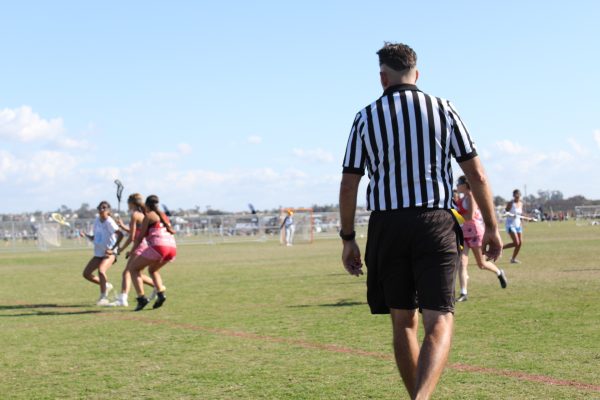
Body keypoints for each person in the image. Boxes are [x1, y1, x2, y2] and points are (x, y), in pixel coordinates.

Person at [339, 42, 502, 400]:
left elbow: (350, 183)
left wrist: (348, 237)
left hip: (388, 226)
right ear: (418, 74)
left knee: (403, 322)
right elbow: (477, 174)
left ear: (383, 78)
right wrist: (491, 226)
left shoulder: (365, 116)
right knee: (439, 319)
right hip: (435, 222)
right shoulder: (443, 109)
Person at [455, 176, 507, 302]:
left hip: (475, 232)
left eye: (459, 183)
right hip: (464, 233)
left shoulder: (472, 196)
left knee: (481, 264)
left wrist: (455, 215)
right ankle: (463, 293)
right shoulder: (462, 198)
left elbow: (470, 216)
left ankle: (499, 273)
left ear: (465, 184)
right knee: (462, 263)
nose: (457, 186)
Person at [129, 195, 177, 311]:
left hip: (159, 247)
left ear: (146, 205)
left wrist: (132, 251)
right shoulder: (164, 216)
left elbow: (140, 237)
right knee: (152, 270)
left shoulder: (149, 216)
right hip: (172, 248)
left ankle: (141, 298)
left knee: (133, 269)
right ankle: (160, 294)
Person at [110, 194, 156, 307]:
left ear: (131, 203)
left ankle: (123, 299)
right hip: (144, 245)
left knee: (127, 272)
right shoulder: (141, 214)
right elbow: (135, 232)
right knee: (135, 272)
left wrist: (121, 249)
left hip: (139, 246)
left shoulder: (135, 215)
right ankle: (157, 286)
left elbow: (131, 237)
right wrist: (122, 226)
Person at [80, 201, 123, 305]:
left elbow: (121, 235)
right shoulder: (96, 221)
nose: (101, 209)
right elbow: (95, 238)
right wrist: (85, 235)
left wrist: (113, 249)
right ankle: (106, 285)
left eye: (104, 208)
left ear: (108, 210)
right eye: (100, 207)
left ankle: (104, 297)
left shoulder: (109, 222)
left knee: (101, 270)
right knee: (86, 274)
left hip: (110, 253)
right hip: (99, 253)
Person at [503, 189, 524, 264]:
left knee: (520, 243)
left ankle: (513, 259)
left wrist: (523, 221)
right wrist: (510, 214)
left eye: (518, 195)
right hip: (510, 224)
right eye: (515, 195)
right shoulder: (511, 203)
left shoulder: (521, 204)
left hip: (518, 225)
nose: (517, 197)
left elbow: (521, 215)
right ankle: (499, 248)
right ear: (513, 196)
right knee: (516, 242)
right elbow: (504, 212)